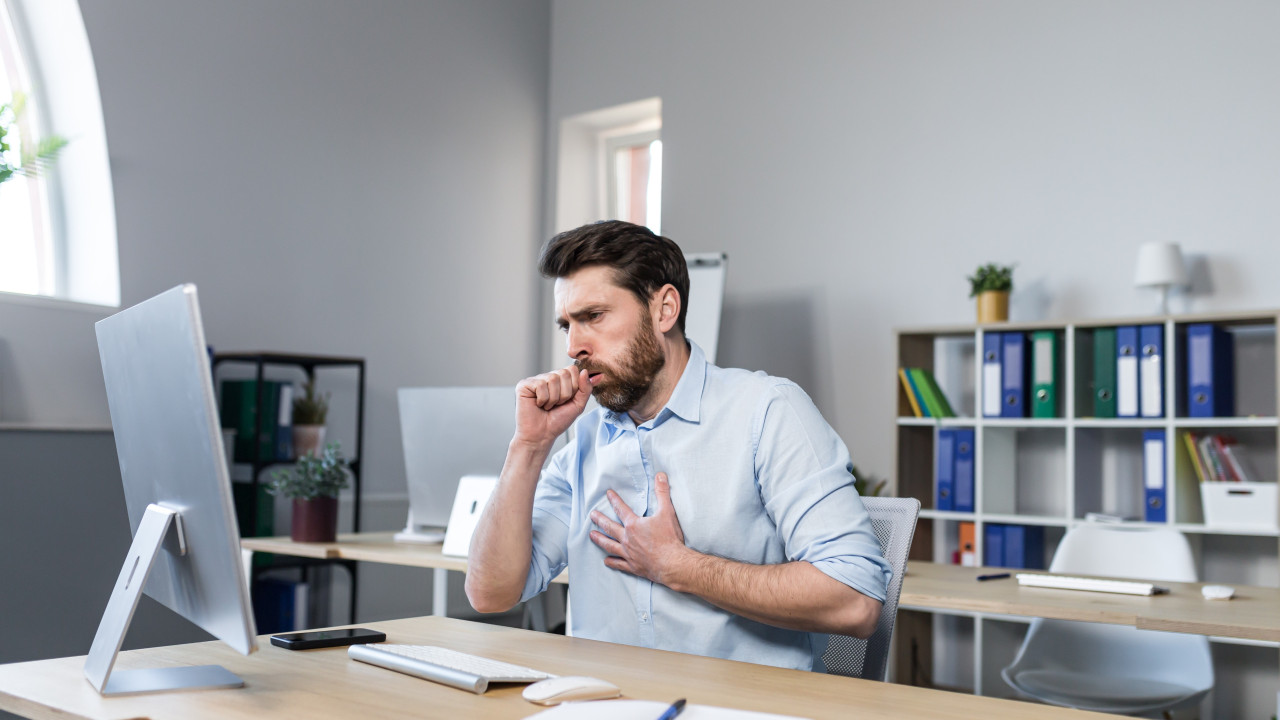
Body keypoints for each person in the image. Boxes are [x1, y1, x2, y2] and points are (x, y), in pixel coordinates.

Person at [465, 220, 890, 671]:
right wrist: (529, 446)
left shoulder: (766, 411)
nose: (574, 346)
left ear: (664, 309)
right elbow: (490, 594)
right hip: (605, 704)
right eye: (566, 325)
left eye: (593, 316)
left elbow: (855, 601)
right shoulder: (583, 441)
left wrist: (677, 566)